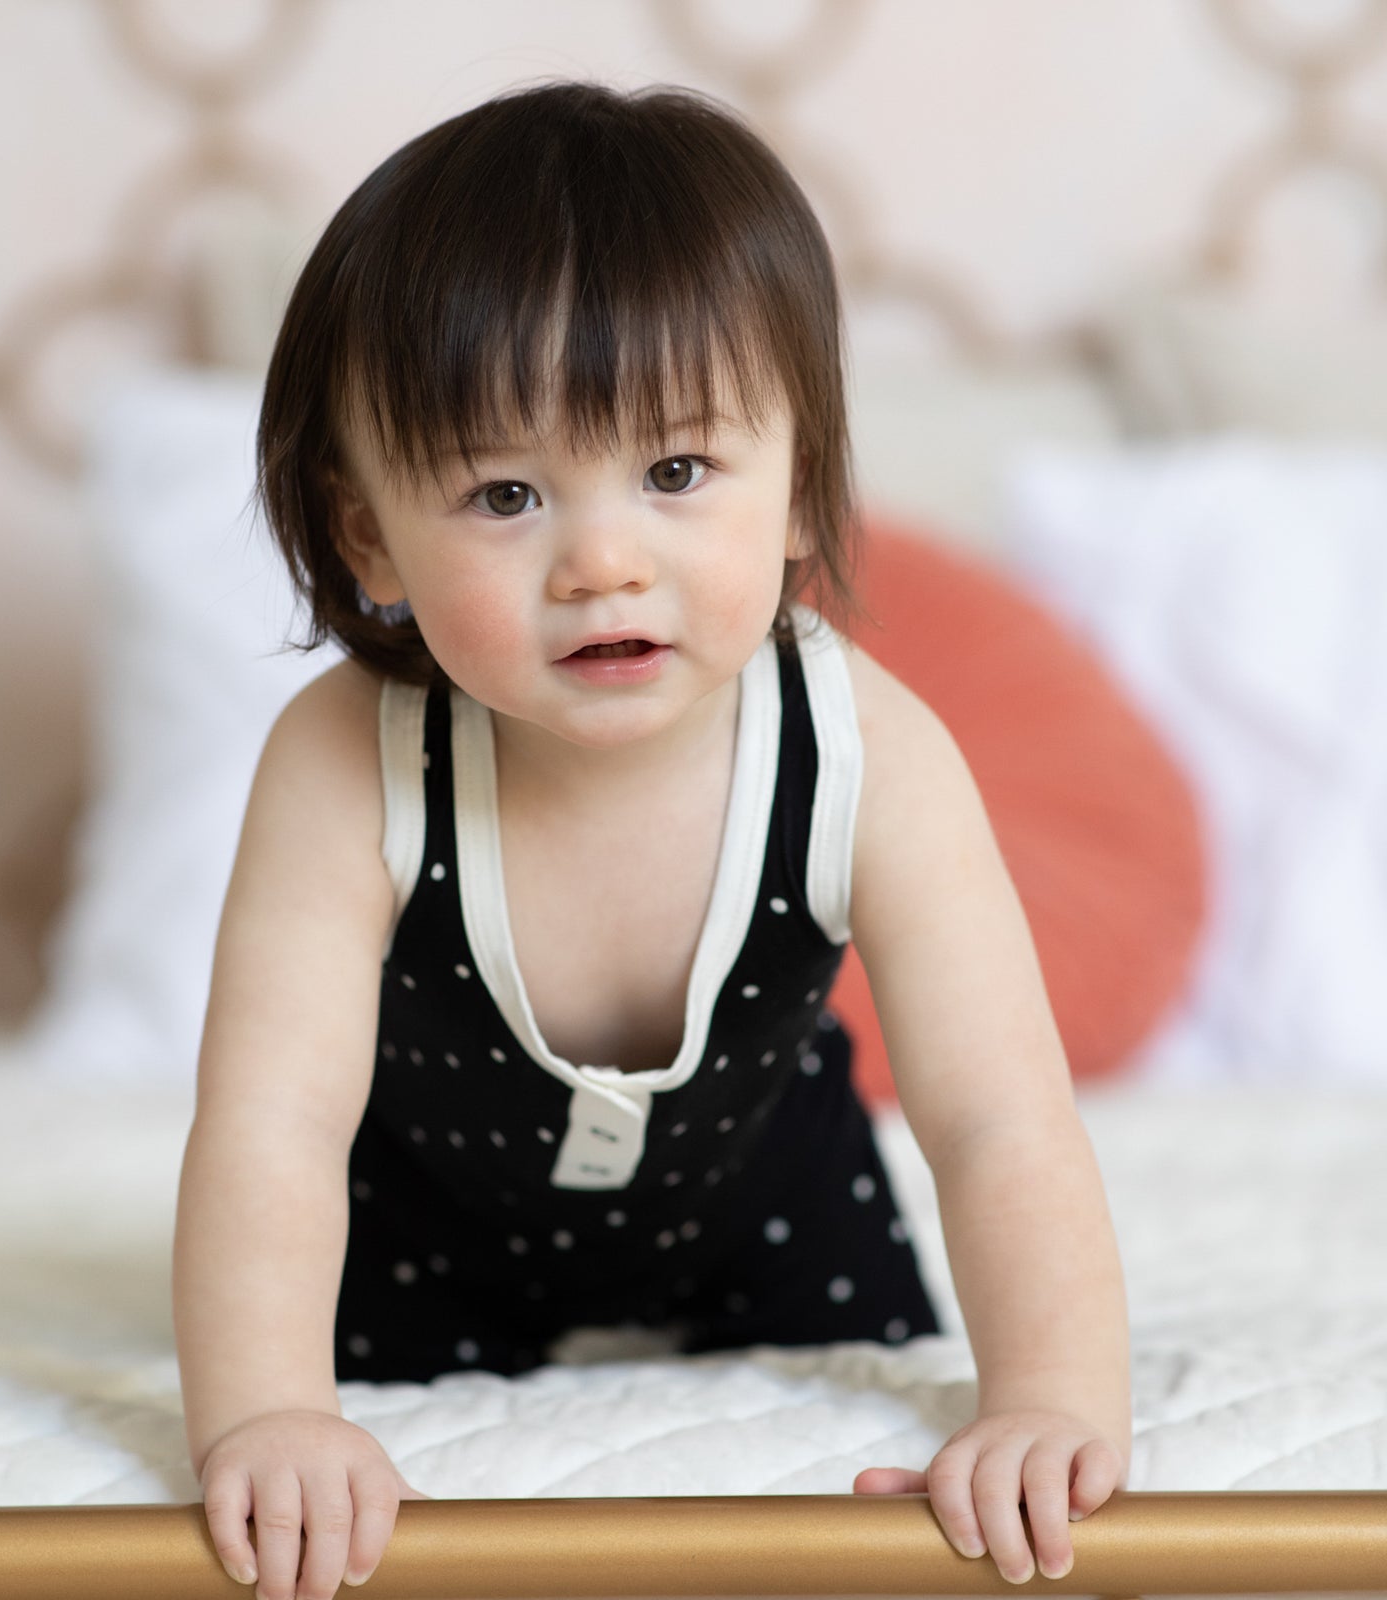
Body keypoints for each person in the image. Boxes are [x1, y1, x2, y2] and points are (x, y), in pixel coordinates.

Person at [172, 80, 1130, 1600]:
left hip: (771, 1194)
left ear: (803, 480)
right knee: (320, 1471)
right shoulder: (346, 759)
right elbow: (272, 1128)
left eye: (677, 472)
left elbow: (998, 1116)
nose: (602, 561)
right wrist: (270, 1413)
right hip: (422, 1218)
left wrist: (1051, 1404)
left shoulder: (868, 749)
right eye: (504, 493)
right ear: (371, 542)